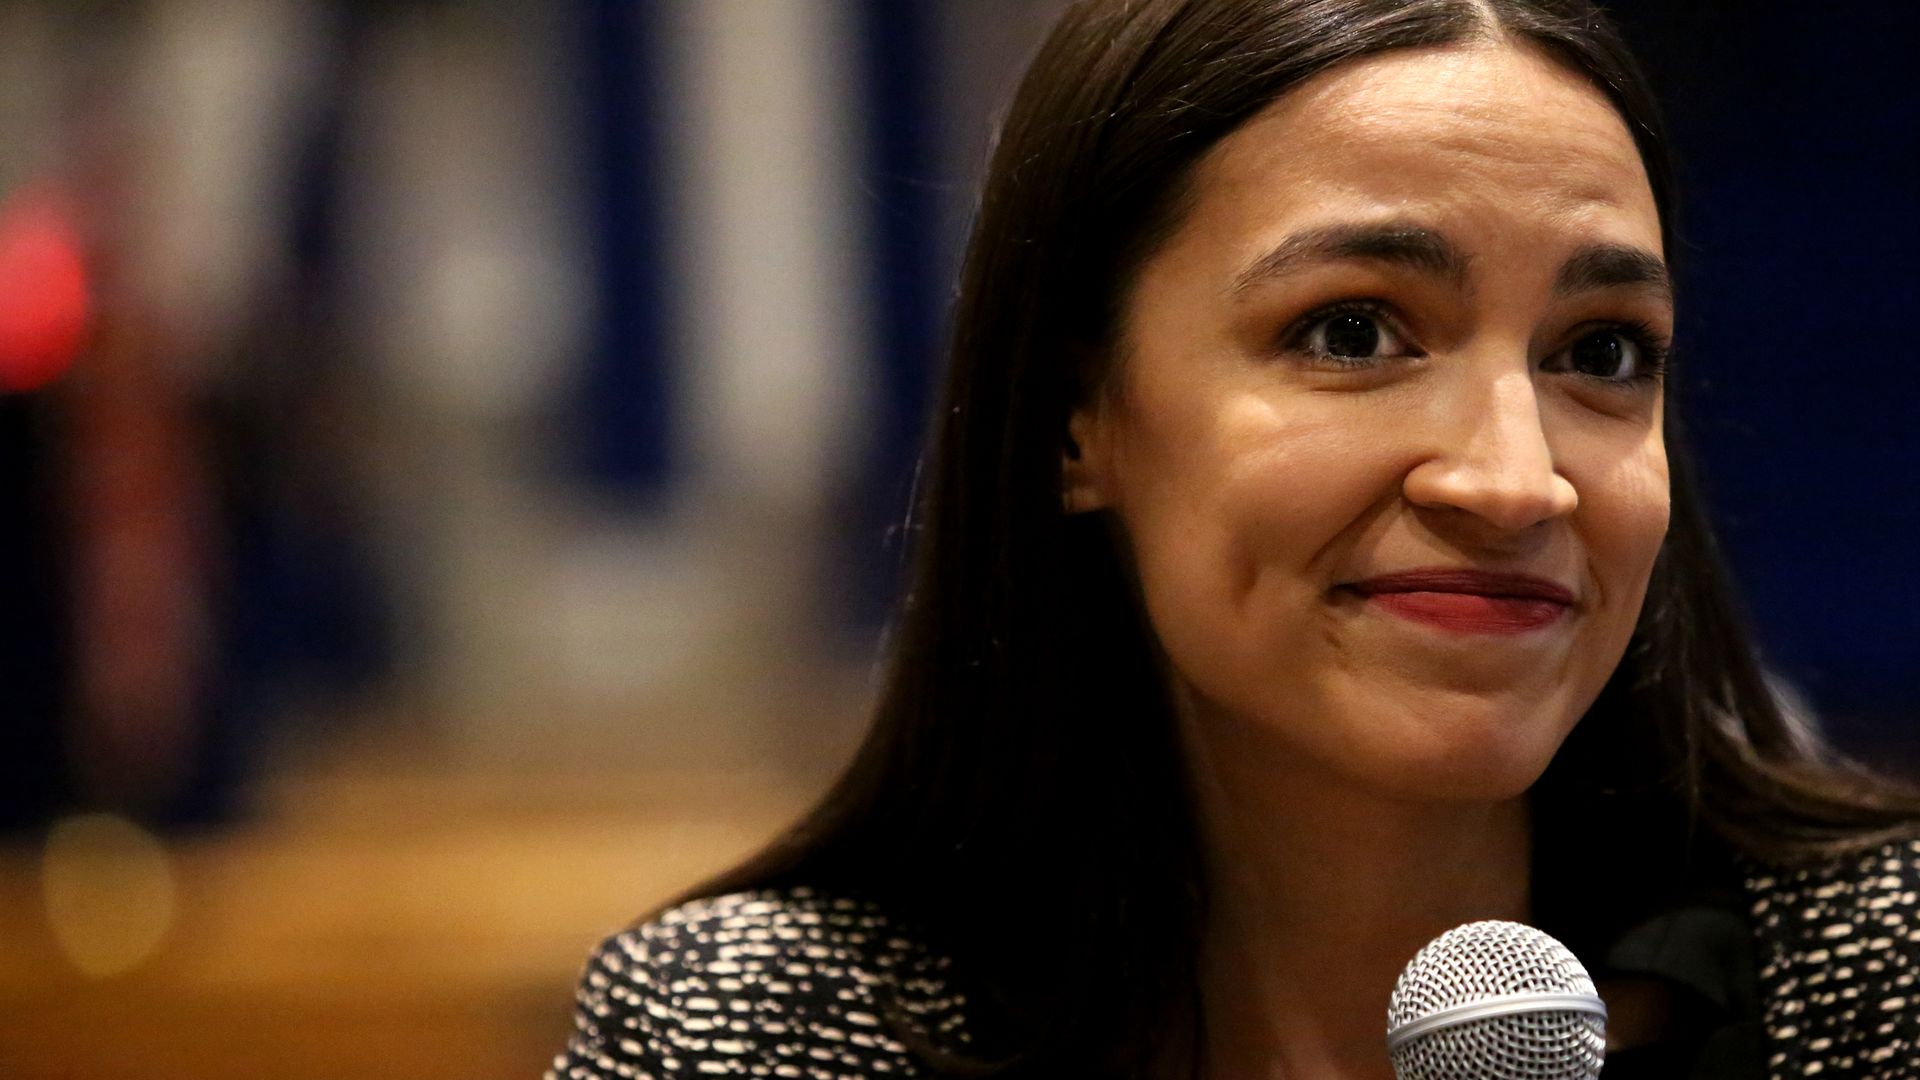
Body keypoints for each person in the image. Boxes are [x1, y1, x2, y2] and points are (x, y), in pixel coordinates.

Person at [547, 1, 1920, 1078]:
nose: (1517, 480)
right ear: (1079, 416)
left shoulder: (1880, 993)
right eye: (1352, 332)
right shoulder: (761, 1035)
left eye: (1601, 352)